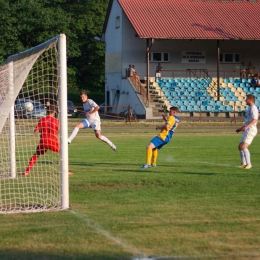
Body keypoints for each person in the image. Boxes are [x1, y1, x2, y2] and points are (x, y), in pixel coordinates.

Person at [22, 105, 73, 175]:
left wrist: (40, 130)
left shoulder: (42, 120)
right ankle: (66, 171)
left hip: (43, 141)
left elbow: (35, 132)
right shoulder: (57, 121)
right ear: (54, 111)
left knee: (36, 155)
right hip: (53, 141)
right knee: (64, 154)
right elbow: (60, 131)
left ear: (46, 111)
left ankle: (27, 171)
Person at [236, 94, 258, 169]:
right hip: (248, 129)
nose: (245, 100)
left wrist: (247, 127)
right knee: (240, 147)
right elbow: (247, 122)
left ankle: (249, 164)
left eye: (246, 99)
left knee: (243, 146)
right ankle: (244, 163)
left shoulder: (253, 108)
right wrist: (241, 128)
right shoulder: (249, 108)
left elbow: (255, 119)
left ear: (250, 100)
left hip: (251, 130)